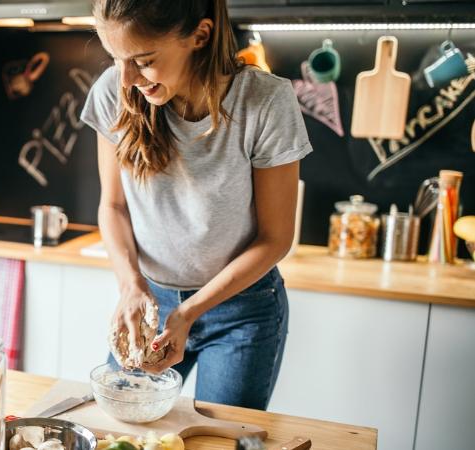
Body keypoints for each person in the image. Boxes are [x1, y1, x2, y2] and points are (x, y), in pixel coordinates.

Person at [80, 0, 312, 410]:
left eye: (144, 61)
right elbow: (112, 206)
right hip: (151, 301)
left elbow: (275, 238)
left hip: (242, 311)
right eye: (116, 60)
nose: (127, 78)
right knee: (121, 425)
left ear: (200, 36)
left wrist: (190, 312)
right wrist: (130, 284)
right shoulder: (113, 93)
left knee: (218, 439)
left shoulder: (265, 102)